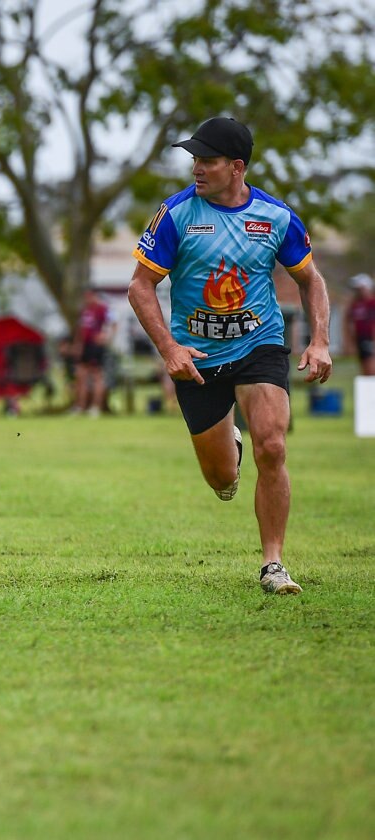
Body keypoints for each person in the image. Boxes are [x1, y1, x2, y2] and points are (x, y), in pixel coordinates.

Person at [127, 116, 331, 595]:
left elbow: (311, 280)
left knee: (274, 447)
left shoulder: (276, 217)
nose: (197, 168)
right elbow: (140, 288)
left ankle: (273, 564)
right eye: (195, 159)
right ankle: (228, 451)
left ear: (237, 167)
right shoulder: (176, 214)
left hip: (258, 344)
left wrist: (320, 339)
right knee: (221, 479)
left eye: (208, 160)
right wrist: (169, 349)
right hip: (195, 357)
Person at [71, 291, 115, 416]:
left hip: (95, 347)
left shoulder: (103, 309)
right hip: (85, 346)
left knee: (97, 376)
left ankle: (96, 407)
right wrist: (78, 345)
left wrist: (106, 337)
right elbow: (80, 330)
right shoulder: (85, 310)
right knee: (81, 376)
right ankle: (80, 406)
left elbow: (113, 324)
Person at [343, 273, 375, 375]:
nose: (357, 291)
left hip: (370, 338)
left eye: (359, 288)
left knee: (370, 365)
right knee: (364, 366)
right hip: (360, 339)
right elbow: (348, 319)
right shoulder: (355, 304)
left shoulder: (372, 303)